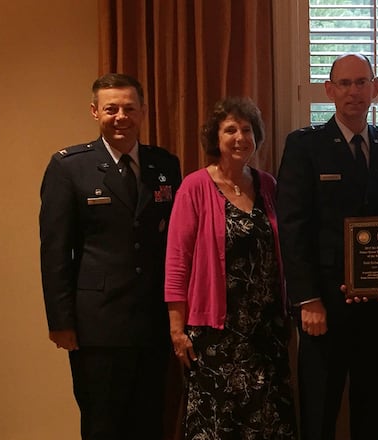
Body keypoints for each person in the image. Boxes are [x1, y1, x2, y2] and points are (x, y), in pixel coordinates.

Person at [39, 73, 182, 439]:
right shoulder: (69, 167)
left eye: (129, 109)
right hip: (97, 326)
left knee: (150, 422)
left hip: (152, 321)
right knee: (102, 425)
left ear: (143, 111)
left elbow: (175, 243)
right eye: (111, 109)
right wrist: (61, 320)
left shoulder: (165, 165)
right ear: (95, 112)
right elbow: (55, 251)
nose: (121, 117)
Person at [276, 53, 378, 440]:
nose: (354, 91)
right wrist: (307, 299)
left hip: (376, 300)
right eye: (345, 83)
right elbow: (292, 226)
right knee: (320, 408)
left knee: (371, 405)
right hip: (324, 302)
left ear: (375, 88)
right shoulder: (305, 145)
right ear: (329, 90)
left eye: (361, 82)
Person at [164, 97, 297, 439]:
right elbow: (177, 261)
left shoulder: (268, 185)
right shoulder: (195, 187)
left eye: (247, 130)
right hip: (215, 332)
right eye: (230, 130)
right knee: (218, 425)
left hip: (266, 331)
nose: (240, 138)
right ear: (216, 137)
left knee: (267, 424)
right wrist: (177, 330)